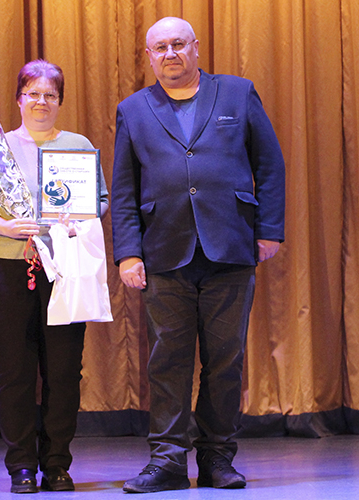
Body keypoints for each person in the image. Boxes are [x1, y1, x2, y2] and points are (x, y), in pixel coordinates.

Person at [111, 17, 285, 493]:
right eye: (160, 47)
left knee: (225, 362)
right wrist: (127, 253)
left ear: (195, 48)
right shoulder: (133, 109)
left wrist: (269, 230)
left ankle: (217, 458)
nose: (170, 54)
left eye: (178, 44)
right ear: (150, 56)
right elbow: (123, 189)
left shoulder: (237, 93)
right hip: (164, 252)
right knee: (167, 362)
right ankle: (167, 460)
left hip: (230, 248)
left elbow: (269, 164)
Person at [0, 59, 109, 494]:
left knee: (64, 372)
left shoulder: (77, 145)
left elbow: (100, 200)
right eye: (33, 94)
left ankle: (58, 464)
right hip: (9, 269)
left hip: (64, 268)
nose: (41, 102)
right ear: (19, 99)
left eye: (50, 95)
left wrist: (78, 220)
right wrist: (4, 226)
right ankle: (22, 467)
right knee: (15, 373)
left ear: (60, 101)